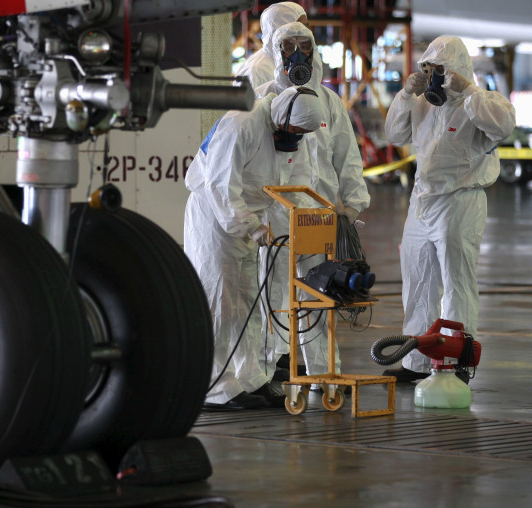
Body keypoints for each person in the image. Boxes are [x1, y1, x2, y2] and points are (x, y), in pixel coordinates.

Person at [383, 36, 515, 382]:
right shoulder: (424, 104)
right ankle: (417, 363)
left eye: (439, 70)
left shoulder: (481, 101)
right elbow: (394, 134)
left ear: (456, 70)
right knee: (417, 281)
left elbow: (503, 126)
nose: (434, 77)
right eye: (428, 69)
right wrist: (405, 94)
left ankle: (457, 361)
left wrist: (468, 91)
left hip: (460, 200)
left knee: (456, 283)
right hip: (422, 200)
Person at [184, 87, 325, 409]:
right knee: (220, 299)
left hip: (252, 218)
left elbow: (296, 182)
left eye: (302, 134)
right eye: (294, 131)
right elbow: (220, 185)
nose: (296, 139)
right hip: (215, 216)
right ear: (281, 116)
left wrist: (306, 218)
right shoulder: (241, 124)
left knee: (248, 300)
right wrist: (250, 226)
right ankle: (215, 387)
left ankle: (251, 378)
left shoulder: (295, 133)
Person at [254, 22, 371, 386]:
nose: (297, 55)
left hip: (319, 216)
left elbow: (347, 156)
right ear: (276, 53)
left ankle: (324, 373)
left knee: (321, 292)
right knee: (274, 293)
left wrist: (352, 203)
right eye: (288, 47)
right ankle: (271, 371)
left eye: (304, 46)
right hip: (278, 214)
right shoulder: (263, 100)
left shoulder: (329, 101)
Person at [234, 2, 309, 90]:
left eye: (306, 27)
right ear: (279, 30)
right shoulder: (257, 71)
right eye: (299, 27)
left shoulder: (290, 62)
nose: (306, 32)